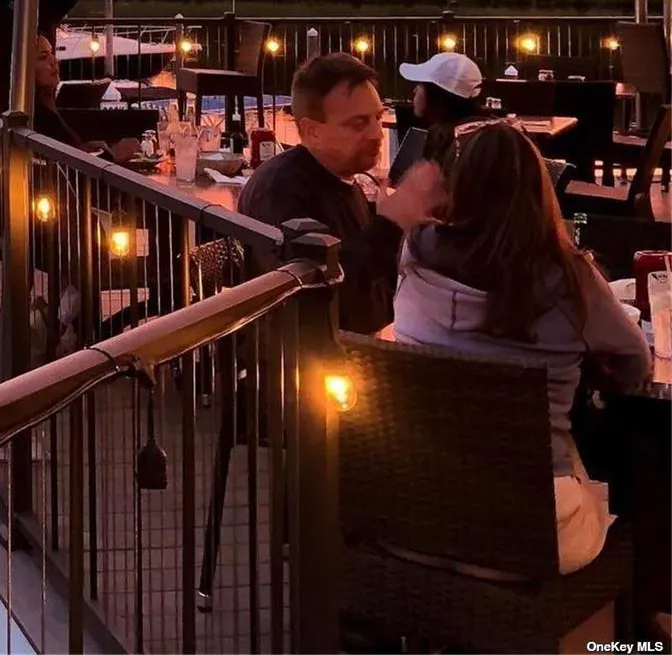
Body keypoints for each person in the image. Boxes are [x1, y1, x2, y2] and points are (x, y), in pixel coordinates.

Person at [393, 121, 650, 573]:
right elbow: (635, 361)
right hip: (535, 529)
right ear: (539, 189)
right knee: (624, 480)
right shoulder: (568, 276)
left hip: (421, 508)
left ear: (459, 186)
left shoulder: (416, 248)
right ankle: (627, 626)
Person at [0, 34, 135, 328]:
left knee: (91, 238)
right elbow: (67, 163)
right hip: (32, 229)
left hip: (16, 223)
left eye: (53, 56)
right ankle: (56, 326)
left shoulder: (17, 112)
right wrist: (115, 154)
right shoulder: (32, 118)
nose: (55, 64)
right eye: (44, 58)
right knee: (96, 246)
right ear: (21, 69)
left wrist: (92, 149)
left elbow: (67, 154)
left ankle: (47, 321)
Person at [237, 52, 445, 334]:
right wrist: (391, 225)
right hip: (308, 368)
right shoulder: (281, 190)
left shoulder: (342, 178)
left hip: (366, 347)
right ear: (312, 131)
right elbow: (321, 300)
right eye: (358, 124)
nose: (377, 134)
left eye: (377, 117)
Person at [397, 51, 484, 171]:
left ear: (437, 95)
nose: (414, 91)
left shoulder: (459, 144)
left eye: (421, 85)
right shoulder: (445, 134)